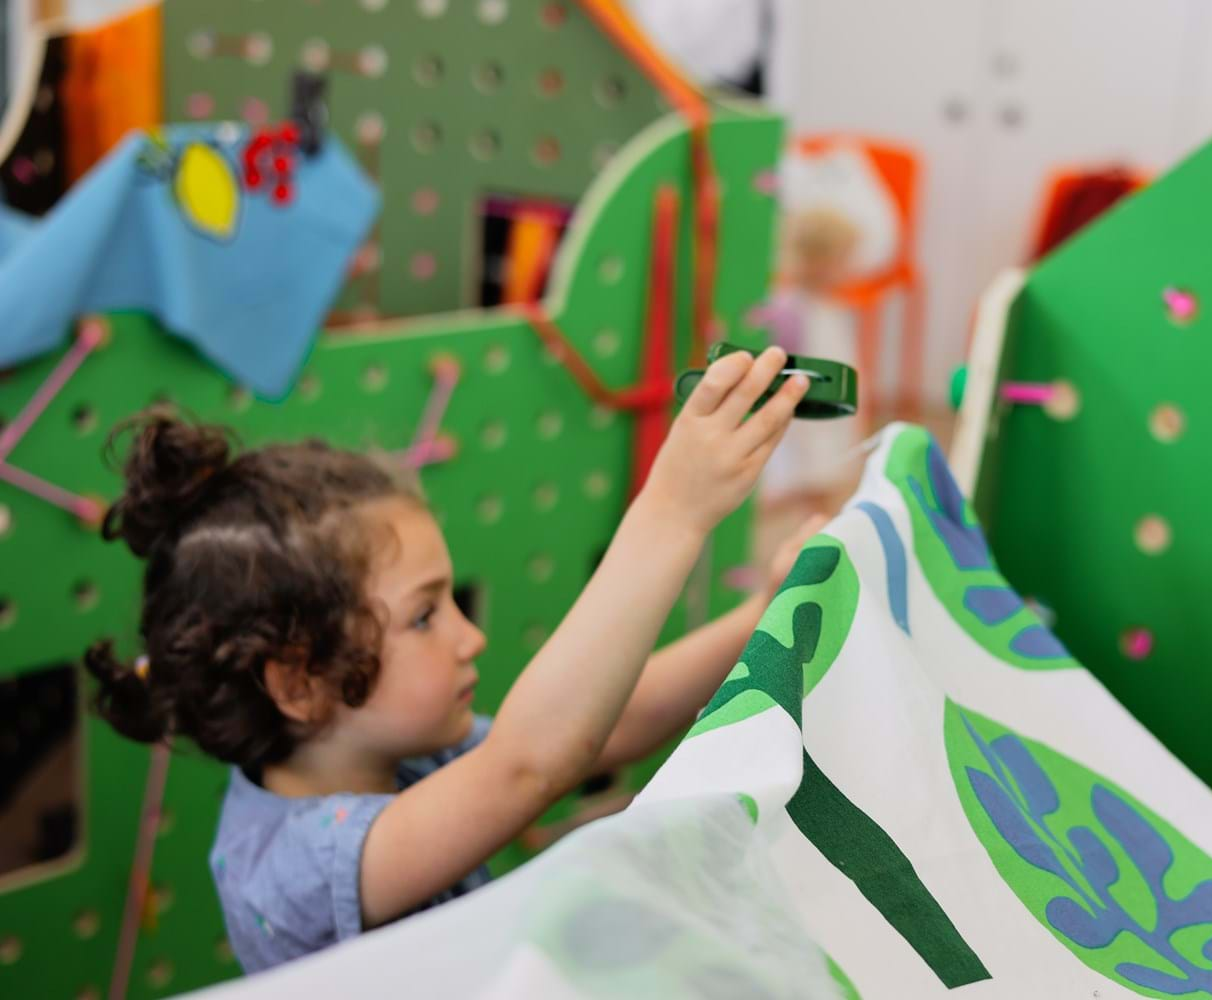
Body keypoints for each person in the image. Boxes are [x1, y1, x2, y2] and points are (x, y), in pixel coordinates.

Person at [83, 347, 822, 972]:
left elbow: (616, 720)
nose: (471, 640)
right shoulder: (295, 867)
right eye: (427, 615)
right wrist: (673, 511)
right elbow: (531, 762)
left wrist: (755, 618)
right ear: (301, 683)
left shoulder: (387, 754)